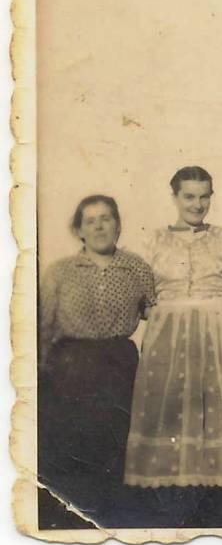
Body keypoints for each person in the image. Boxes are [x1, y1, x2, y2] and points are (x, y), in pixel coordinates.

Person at [123, 166, 222, 525]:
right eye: (189, 196)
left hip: (216, 336)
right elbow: (137, 294)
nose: (197, 204)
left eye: (204, 196)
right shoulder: (154, 240)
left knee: (214, 410)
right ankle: (171, 504)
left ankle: (213, 505)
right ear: (174, 197)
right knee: (170, 409)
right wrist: (158, 312)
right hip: (168, 337)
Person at [38, 194, 155, 523]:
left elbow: (157, 313)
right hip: (70, 366)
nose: (100, 226)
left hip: (120, 364)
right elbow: (43, 326)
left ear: (118, 225)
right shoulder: (60, 272)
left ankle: (118, 520)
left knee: (118, 446)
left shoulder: (137, 267)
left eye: (106, 218)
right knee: (74, 445)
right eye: (91, 221)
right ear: (79, 230)